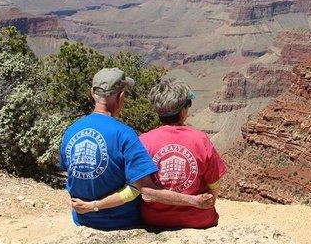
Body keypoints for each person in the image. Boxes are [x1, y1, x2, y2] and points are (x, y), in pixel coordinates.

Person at [60, 68, 214, 230]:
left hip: (83, 220)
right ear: (121, 97)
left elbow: (71, 174)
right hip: (122, 222)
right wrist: (195, 201)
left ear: (92, 93)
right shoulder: (125, 134)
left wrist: (89, 206)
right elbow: (144, 189)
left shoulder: (71, 131)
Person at [139, 79, 226, 228]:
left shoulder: (143, 141)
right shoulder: (200, 139)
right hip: (198, 219)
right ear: (183, 111)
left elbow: (142, 188)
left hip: (155, 219)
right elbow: (214, 184)